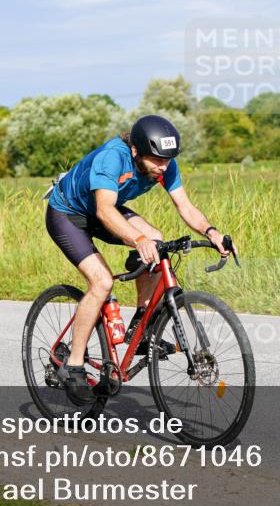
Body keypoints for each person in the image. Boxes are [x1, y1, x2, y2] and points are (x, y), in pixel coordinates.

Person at [45, 115, 235, 405]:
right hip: (68, 215)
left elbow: (184, 205)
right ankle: (73, 365)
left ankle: (141, 327)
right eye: (157, 160)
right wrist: (137, 239)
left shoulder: (164, 164)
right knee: (102, 282)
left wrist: (211, 232)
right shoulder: (112, 158)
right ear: (135, 151)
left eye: (168, 160)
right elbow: (105, 211)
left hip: (103, 209)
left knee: (157, 243)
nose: (163, 167)